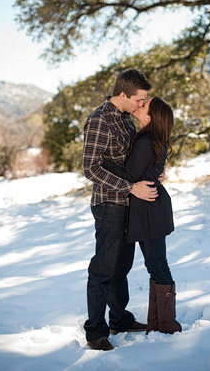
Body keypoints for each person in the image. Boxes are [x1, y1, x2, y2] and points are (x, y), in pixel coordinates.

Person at [82, 69, 160, 351]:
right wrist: (130, 187)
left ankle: (119, 319)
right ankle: (95, 332)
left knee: (122, 267)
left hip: (129, 204)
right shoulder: (99, 120)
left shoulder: (126, 121)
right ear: (123, 94)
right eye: (139, 100)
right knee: (103, 268)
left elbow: (130, 163)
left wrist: (151, 175)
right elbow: (91, 168)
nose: (142, 105)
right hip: (109, 204)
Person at [101, 96, 182, 335]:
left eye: (145, 104)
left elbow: (129, 173)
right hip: (151, 208)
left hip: (150, 210)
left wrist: (103, 163)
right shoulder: (151, 138)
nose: (140, 104)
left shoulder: (146, 140)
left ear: (150, 117)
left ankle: (167, 324)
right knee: (155, 264)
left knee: (157, 265)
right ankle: (158, 323)